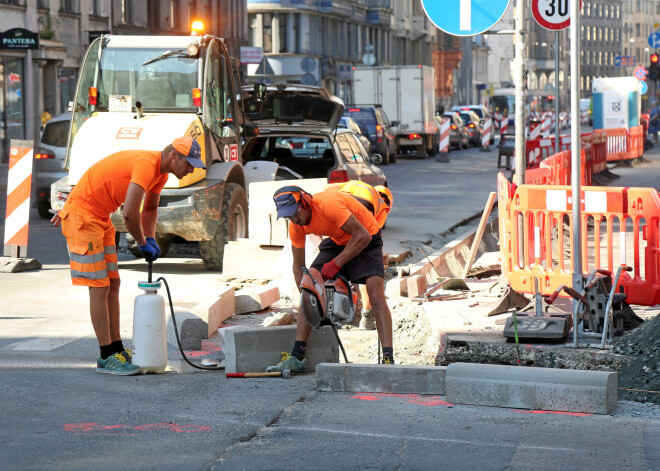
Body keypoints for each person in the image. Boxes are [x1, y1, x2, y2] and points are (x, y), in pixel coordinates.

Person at [51, 136, 206, 375]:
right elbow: (130, 214)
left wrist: (152, 238)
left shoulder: (161, 173)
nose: (191, 169)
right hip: (83, 217)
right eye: (189, 163)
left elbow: (150, 209)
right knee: (99, 286)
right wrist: (142, 242)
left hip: (100, 217)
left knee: (113, 283)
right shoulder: (146, 165)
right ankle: (106, 356)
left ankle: (116, 348)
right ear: (174, 155)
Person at [266, 185, 395, 374]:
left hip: (367, 238)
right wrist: (310, 297)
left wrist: (336, 264)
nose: (294, 218)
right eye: (288, 216)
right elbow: (298, 267)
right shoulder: (296, 226)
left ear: (305, 202)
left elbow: (363, 236)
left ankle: (388, 359)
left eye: (295, 212)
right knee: (308, 288)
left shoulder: (328, 205)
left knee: (376, 297)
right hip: (337, 242)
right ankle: (297, 357)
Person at [324, 181, 394, 329]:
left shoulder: (355, 186)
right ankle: (367, 317)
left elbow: (329, 189)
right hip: (356, 228)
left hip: (333, 216)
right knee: (366, 274)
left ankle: (325, 310)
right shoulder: (381, 208)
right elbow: (368, 234)